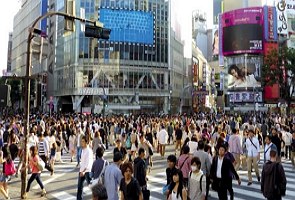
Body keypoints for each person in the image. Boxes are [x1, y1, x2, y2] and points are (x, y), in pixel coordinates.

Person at [77, 136, 93, 200]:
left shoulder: (89, 151)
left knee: (92, 187)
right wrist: (81, 170)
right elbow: (82, 161)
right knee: (79, 188)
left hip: (87, 171)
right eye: (81, 141)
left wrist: (84, 171)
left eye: (83, 141)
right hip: (82, 170)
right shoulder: (83, 150)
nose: (82, 143)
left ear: (86, 142)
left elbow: (88, 163)